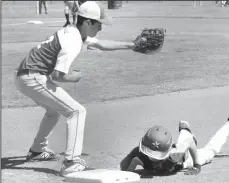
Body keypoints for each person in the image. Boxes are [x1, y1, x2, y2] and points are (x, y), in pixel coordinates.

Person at [14, 1, 139, 176]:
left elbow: (101, 44)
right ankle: (71, 161)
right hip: (33, 77)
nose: (101, 28)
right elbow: (57, 76)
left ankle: (37, 150)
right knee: (77, 111)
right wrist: (75, 77)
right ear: (88, 22)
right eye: (99, 24)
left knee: (53, 111)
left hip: (25, 75)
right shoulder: (73, 40)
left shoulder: (74, 31)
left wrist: (133, 45)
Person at [120, 110, 229, 175]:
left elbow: (190, 142)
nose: (151, 158)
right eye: (149, 154)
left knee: (211, 151)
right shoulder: (139, 153)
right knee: (185, 137)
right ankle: (185, 129)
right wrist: (130, 168)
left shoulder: (175, 154)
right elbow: (126, 170)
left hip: (187, 159)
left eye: (155, 155)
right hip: (179, 146)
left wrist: (197, 165)